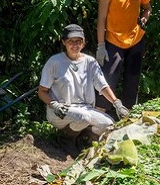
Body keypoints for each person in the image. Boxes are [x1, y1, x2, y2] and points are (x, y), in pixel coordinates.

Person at [38, 24, 129, 158]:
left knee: (108, 125)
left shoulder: (90, 62)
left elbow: (102, 86)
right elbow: (42, 91)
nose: (75, 45)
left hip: (85, 108)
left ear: (84, 42)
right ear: (64, 42)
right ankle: (66, 139)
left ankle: (81, 138)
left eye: (78, 41)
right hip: (60, 110)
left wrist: (117, 103)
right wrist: (54, 104)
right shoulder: (55, 62)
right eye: (71, 41)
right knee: (83, 117)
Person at [96, 0, 152, 114]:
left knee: (132, 80)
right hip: (113, 40)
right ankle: (99, 115)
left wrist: (144, 18)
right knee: (108, 79)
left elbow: (148, 8)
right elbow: (101, 19)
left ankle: (127, 116)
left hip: (135, 40)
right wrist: (100, 45)